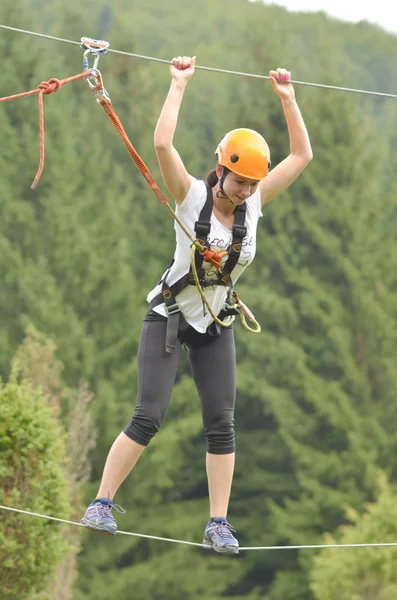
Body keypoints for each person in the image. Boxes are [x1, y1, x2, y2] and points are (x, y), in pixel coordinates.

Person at [81, 55, 312, 554]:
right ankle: (100, 503)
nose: (246, 192)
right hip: (168, 314)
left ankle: (218, 523)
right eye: (239, 182)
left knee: (221, 422)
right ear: (221, 169)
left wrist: (289, 101)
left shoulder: (254, 205)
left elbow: (300, 158)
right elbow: (163, 143)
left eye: (253, 184)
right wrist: (178, 85)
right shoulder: (189, 196)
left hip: (214, 321)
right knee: (149, 414)